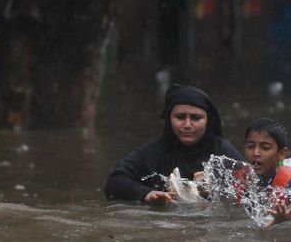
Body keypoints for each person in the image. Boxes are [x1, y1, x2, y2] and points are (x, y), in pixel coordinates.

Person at [104, 84, 243, 204]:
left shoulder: (223, 152)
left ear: (208, 120)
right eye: (180, 117)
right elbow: (114, 181)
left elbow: (251, 191)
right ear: (169, 119)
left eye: (196, 118)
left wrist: (214, 188)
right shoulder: (153, 152)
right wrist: (146, 194)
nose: (187, 125)